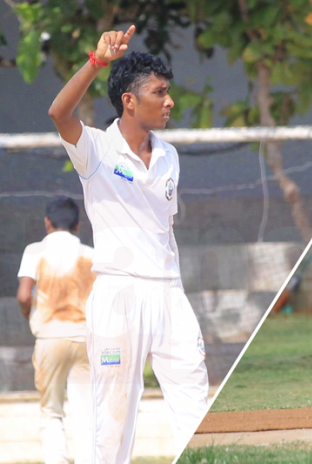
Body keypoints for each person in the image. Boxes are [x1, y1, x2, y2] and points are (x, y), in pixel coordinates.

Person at [47, 26, 209, 461]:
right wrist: (97, 62)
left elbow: (164, 228)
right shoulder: (96, 149)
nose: (170, 101)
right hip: (118, 295)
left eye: (168, 91)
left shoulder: (170, 155)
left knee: (196, 404)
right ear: (129, 101)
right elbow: (59, 112)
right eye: (160, 92)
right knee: (114, 418)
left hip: (169, 292)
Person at [17, 197, 94, 464]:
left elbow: (24, 296)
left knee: (52, 412)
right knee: (86, 413)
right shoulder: (90, 254)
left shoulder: (34, 251)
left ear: (47, 222)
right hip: (85, 338)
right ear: (78, 224)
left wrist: (30, 314)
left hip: (50, 337)